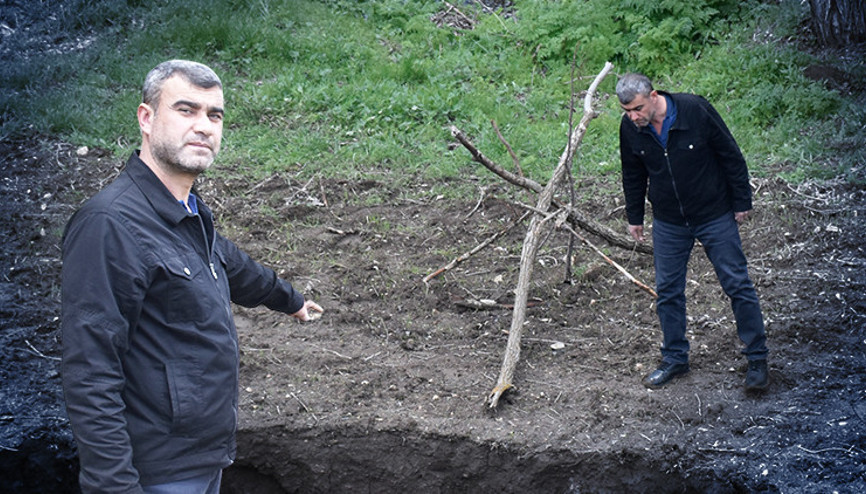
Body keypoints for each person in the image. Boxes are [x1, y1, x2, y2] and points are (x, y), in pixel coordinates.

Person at [61, 60, 323, 493]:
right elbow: (90, 369)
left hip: (204, 457)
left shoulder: (186, 211)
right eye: (186, 110)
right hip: (157, 474)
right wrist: (114, 486)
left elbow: (230, 264)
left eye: (214, 115)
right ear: (146, 119)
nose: (203, 126)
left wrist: (288, 299)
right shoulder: (110, 225)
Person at [615, 72, 769, 391]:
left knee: (737, 283)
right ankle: (675, 358)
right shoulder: (630, 128)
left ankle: (757, 358)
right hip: (669, 221)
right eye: (626, 111)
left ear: (653, 96)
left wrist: (741, 201)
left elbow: (729, 154)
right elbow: (632, 172)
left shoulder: (694, 110)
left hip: (714, 213)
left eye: (638, 109)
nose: (633, 117)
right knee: (668, 291)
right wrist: (635, 216)